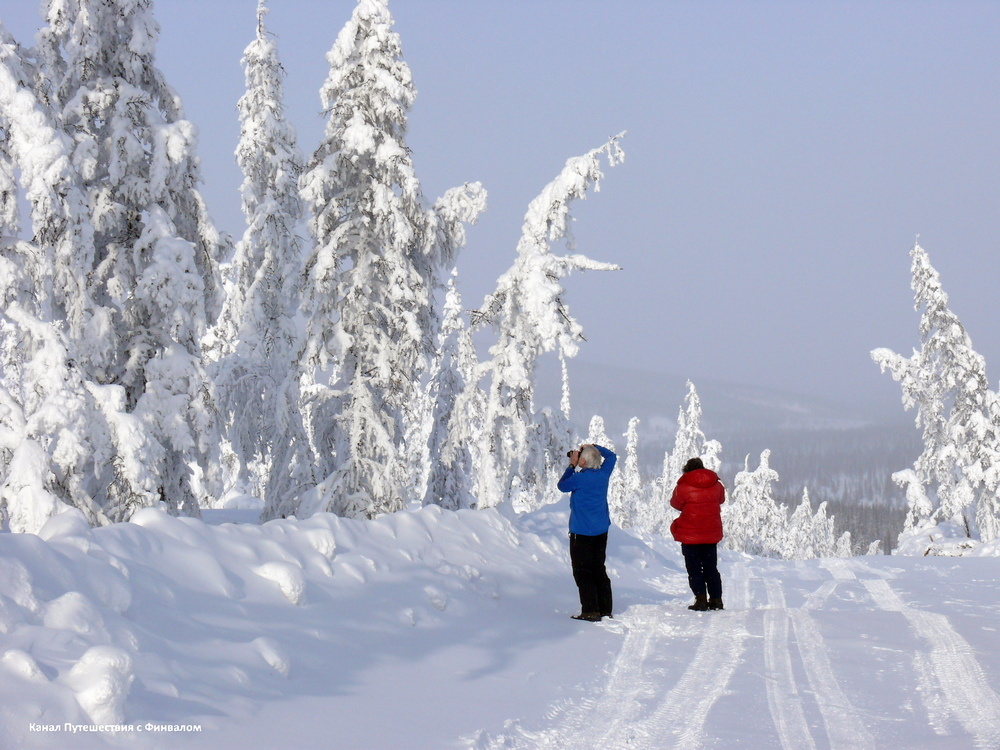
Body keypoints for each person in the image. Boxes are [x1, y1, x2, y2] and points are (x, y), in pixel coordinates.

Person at [558, 443, 617, 622]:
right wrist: (593, 446)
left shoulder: (579, 479)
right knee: (598, 569)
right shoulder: (603, 475)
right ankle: (605, 608)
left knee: (583, 572)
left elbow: (562, 486)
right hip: (600, 530)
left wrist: (571, 465)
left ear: (582, 461)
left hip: (581, 532)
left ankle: (591, 610)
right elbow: (612, 456)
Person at [670, 457, 726, 611]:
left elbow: (675, 503)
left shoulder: (683, 486)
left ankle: (700, 599)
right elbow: (721, 499)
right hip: (710, 532)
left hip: (690, 534)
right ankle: (716, 600)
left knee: (694, 568)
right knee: (711, 567)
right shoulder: (716, 484)